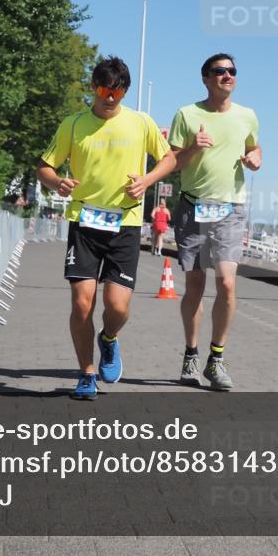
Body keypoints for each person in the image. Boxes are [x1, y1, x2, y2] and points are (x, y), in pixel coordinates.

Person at [37, 57, 175, 400]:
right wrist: (57, 183)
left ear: (124, 91)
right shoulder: (74, 124)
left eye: (116, 91)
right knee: (82, 304)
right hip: (84, 223)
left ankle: (109, 339)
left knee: (117, 307)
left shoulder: (141, 123)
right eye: (103, 89)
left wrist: (146, 181)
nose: (109, 97)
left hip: (124, 224)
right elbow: (44, 168)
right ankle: (86, 373)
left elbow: (170, 158)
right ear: (93, 87)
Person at [169, 53, 261, 391]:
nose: (227, 76)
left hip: (230, 209)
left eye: (232, 71)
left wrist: (255, 158)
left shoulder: (247, 116)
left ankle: (216, 358)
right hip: (192, 208)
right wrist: (194, 147)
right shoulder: (187, 114)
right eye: (219, 71)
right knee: (195, 286)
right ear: (206, 78)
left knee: (226, 283)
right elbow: (174, 162)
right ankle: (191, 353)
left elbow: (256, 149)